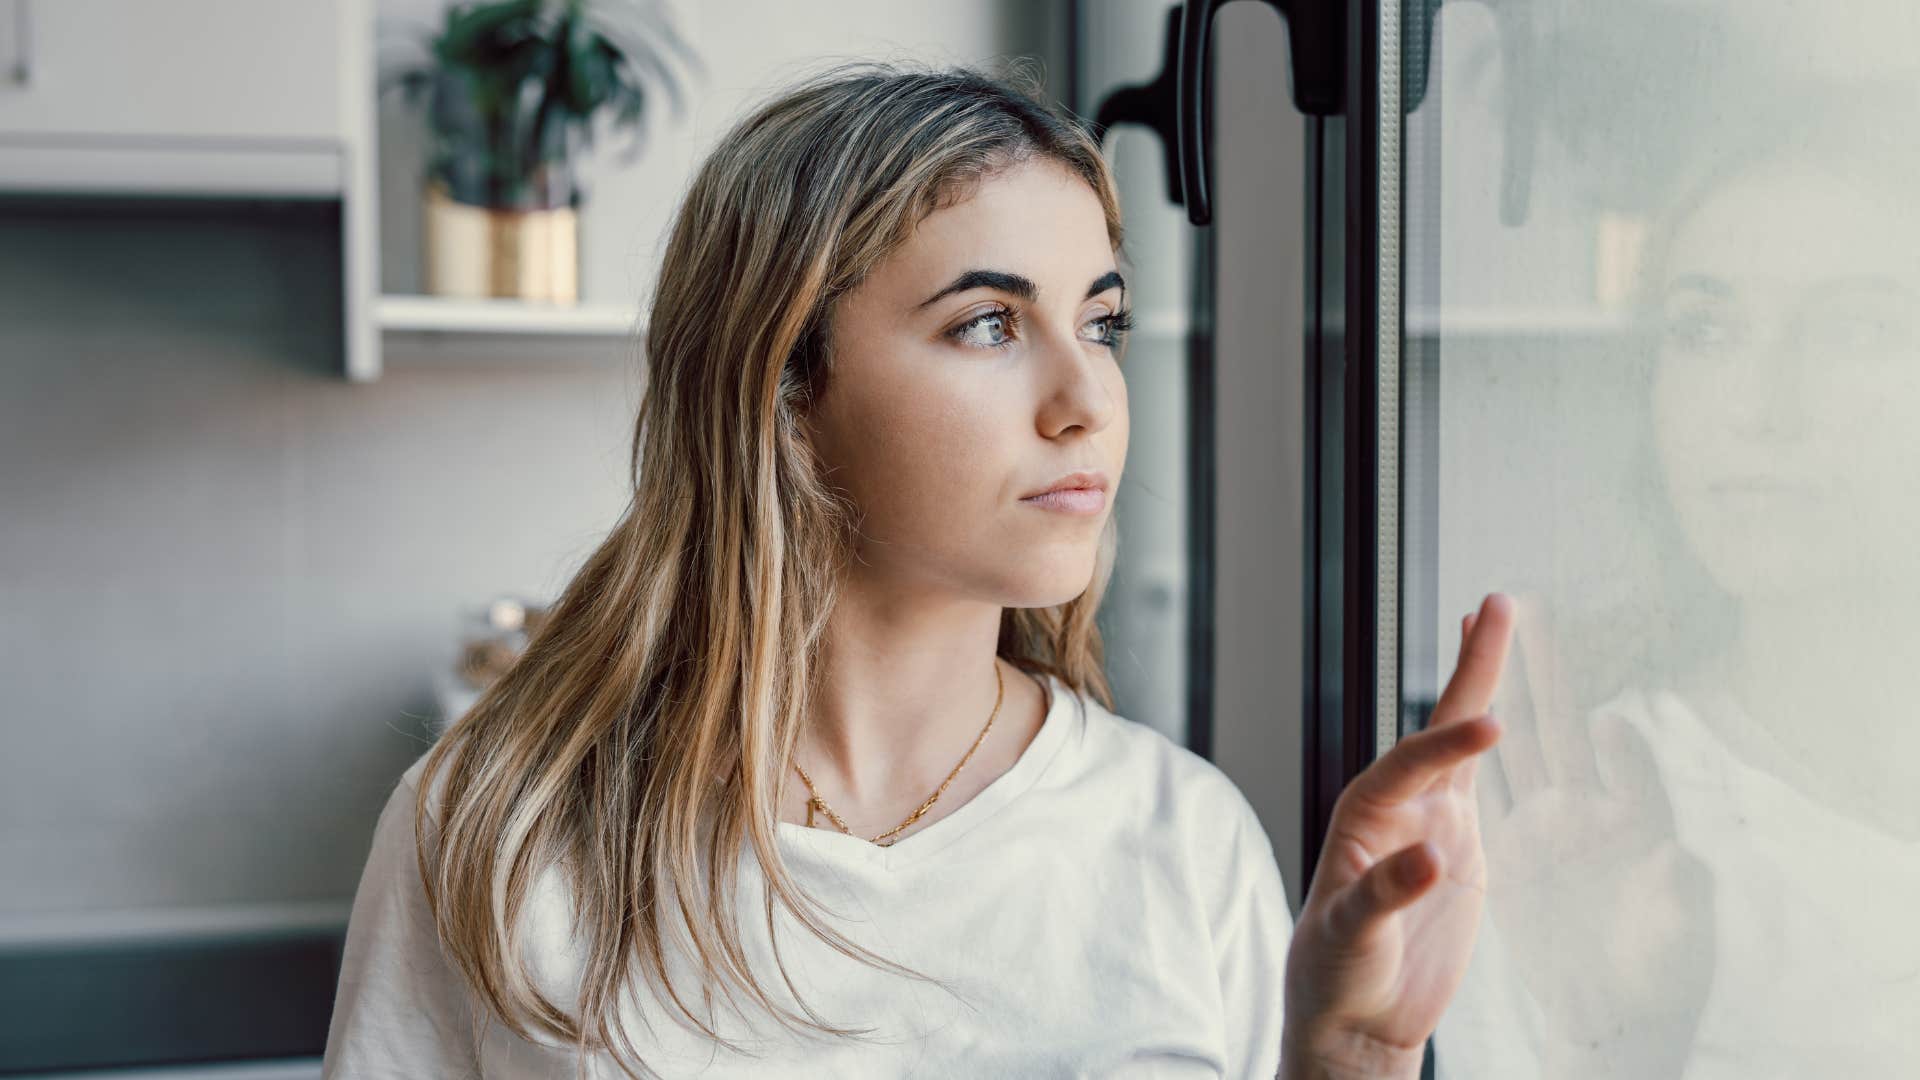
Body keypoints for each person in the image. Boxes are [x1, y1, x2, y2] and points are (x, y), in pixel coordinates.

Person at [321, 61, 1515, 1080]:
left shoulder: (1182, 840)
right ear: (786, 388)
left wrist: (1342, 1066)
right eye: (989, 324)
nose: (1086, 400)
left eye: (1102, 324)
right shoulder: (497, 834)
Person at [1439, 120, 1920, 1078]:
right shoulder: (1571, 825)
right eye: (1704, 328)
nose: (1760, 403)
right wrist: (1617, 1049)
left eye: (1856, 328)